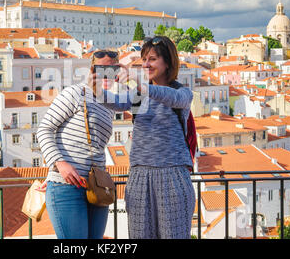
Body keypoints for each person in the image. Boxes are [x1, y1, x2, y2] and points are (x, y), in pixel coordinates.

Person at [91, 36, 196, 239]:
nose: (146, 64)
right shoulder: (140, 93)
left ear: (168, 62)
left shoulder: (181, 92)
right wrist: (95, 88)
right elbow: (117, 103)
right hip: (140, 176)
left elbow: (173, 99)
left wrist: (141, 85)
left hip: (172, 174)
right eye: (144, 59)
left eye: (153, 59)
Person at [36, 49, 120, 239]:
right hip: (67, 186)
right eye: (102, 69)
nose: (108, 74)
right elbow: (44, 129)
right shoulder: (74, 93)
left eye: (113, 70)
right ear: (92, 70)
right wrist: (60, 164)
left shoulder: (109, 104)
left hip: (97, 187)